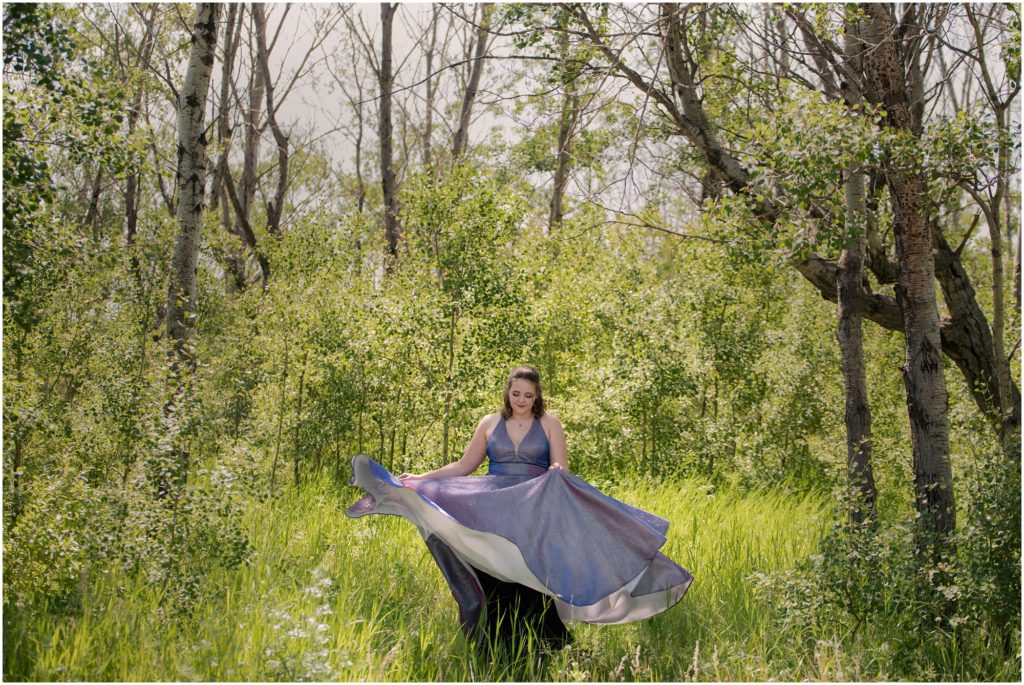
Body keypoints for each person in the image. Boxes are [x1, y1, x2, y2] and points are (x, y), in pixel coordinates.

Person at [346, 365, 692, 654]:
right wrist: (421, 477)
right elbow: (465, 466)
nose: (523, 401)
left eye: (529, 395)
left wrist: (556, 474)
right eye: (516, 394)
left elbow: (560, 467)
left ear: (537, 396)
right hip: (494, 504)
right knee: (495, 570)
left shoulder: (550, 423)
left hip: (532, 506)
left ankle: (546, 641)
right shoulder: (488, 422)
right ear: (507, 393)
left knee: (530, 574)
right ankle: (499, 642)